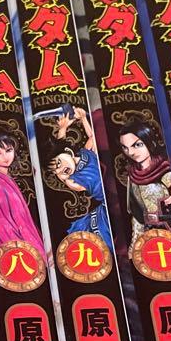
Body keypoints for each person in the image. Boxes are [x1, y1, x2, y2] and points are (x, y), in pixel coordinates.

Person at [47, 105, 112, 248]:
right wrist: (63, 130)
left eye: (58, 163)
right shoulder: (72, 180)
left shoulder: (86, 152)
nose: (61, 169)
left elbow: (93, 137)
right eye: (58, 171)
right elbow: (61, 152)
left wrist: (82, 119)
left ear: (68, 152)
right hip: (107, 206)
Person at [0, 132, 45, 256]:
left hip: (28, 238)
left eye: (8, 150)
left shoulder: (7, 178)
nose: (5, 157)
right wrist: (18, 249)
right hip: (17, 246)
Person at [117, 121, 171, 241]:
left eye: (137, 145)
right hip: (148, 232)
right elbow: (136, 214)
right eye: (125, 147)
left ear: (149, 142)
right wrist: (136, 241)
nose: (130, 152)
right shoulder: (132, 175)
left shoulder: (163, 169)